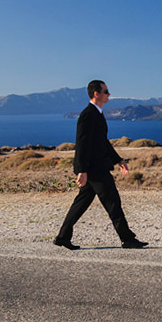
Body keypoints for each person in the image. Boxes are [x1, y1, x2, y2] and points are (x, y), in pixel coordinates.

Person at [54, 80, 148, 249]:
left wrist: (118, 160)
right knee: (113, 202)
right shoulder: (88, 114)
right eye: (106, 91)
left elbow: (102, 142)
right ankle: (127, 239)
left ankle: (62, 237)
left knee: (81, 203)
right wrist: (81, 170)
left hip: (95, 168)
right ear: (96, 94)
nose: (109, 94)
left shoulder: (97, 113)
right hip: (94, 170)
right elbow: (82, 143)